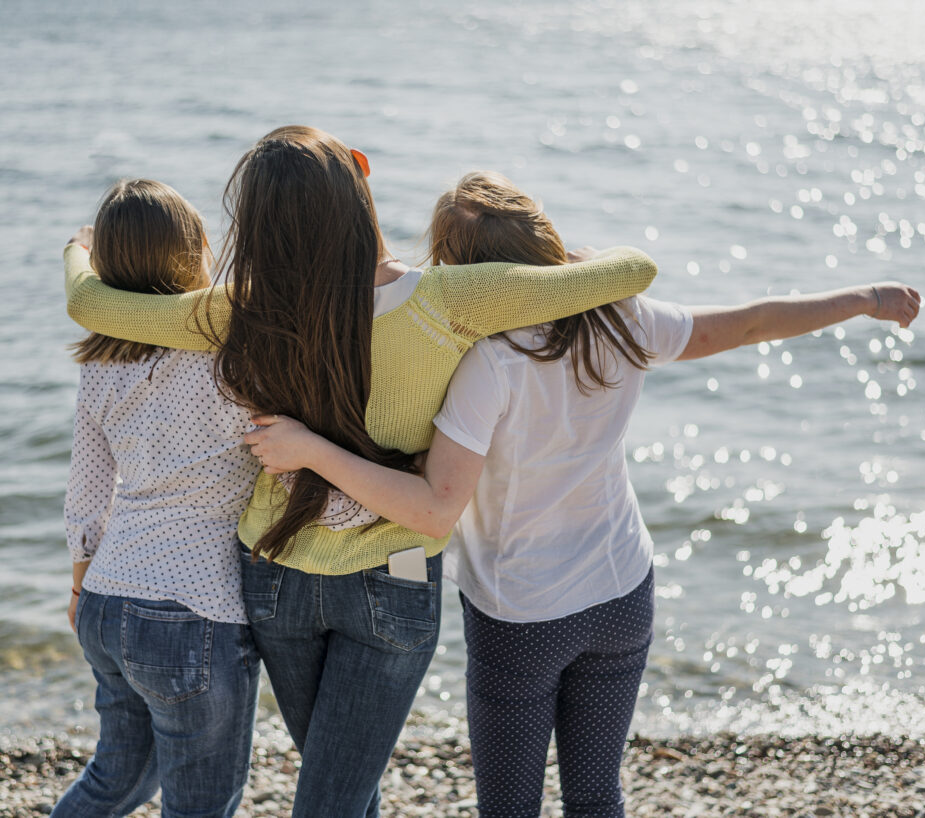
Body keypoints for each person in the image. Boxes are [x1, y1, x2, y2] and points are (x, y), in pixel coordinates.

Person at [242, 171, 923, 818]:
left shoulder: (486, 362)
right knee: (597, 799)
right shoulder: (621, 315)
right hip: (623, 588)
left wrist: (312, 449)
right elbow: (748, 323)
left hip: (523, 612)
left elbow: (432, 507)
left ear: (467, 273)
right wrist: (863, 298)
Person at [60, 126, 659, 817]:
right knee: (338, 793)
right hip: (395, 571)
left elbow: (92, 307)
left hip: (275, 567)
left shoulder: (242, 311)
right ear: (360, 185)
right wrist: (576, 261)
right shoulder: (454, 298)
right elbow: (635, 272)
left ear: (257, 225)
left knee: (340, 784)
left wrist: (77, 251)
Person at [54, 180, 262, 818]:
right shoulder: (235, 353)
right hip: (192, 608)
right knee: (201, 804)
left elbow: (87, 489)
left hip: (106, 599)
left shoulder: (101, 363)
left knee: (117, 779)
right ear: (199, 247)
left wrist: (78, 587)